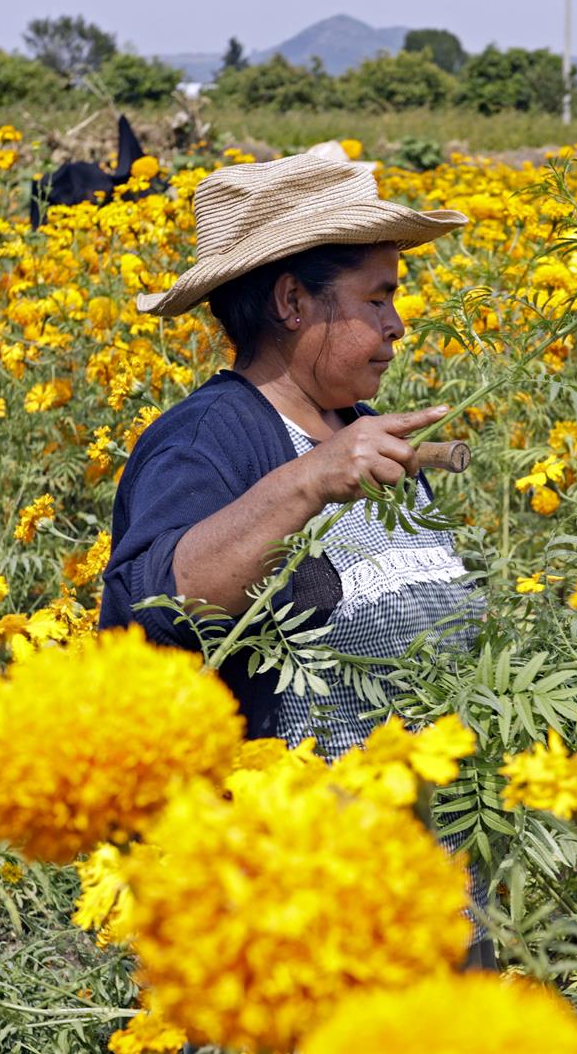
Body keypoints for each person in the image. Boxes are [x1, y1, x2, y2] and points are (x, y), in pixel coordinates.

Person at [102, 153, 477, 759]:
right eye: (378, 300)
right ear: (292, 301)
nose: (398, 325)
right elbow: (155, 607)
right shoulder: (206, 438)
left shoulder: (360, 430)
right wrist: (309, 482)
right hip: (293, 839)